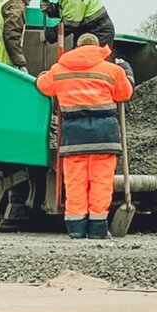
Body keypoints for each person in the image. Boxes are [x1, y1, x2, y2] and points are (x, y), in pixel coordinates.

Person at [36, 33, 134, 240]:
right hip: (104, 137)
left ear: (77, 48)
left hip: (73, 138)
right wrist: (128, 73)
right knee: (100, 182)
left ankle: (76, 229)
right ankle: (98, 229)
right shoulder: (113, 70)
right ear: (97, 48)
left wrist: (44, 74)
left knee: (75, 183)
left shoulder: (59, 70)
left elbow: (43, 85)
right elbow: (124, 94)